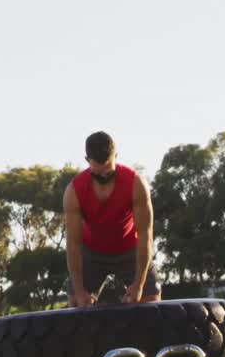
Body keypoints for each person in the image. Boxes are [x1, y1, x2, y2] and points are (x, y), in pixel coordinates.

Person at [64, 132, 162, 307]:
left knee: (151, 301)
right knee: (75, 303)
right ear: (87, 161)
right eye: (97, 173)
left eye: (108, 172)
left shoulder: (136, 184)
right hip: (91, 252)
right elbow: (73, 244)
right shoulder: (74, 191)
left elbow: (146, 235)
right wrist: (79, 292)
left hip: (129, 248)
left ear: (116, 157)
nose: (103, 177)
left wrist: (139, 285)